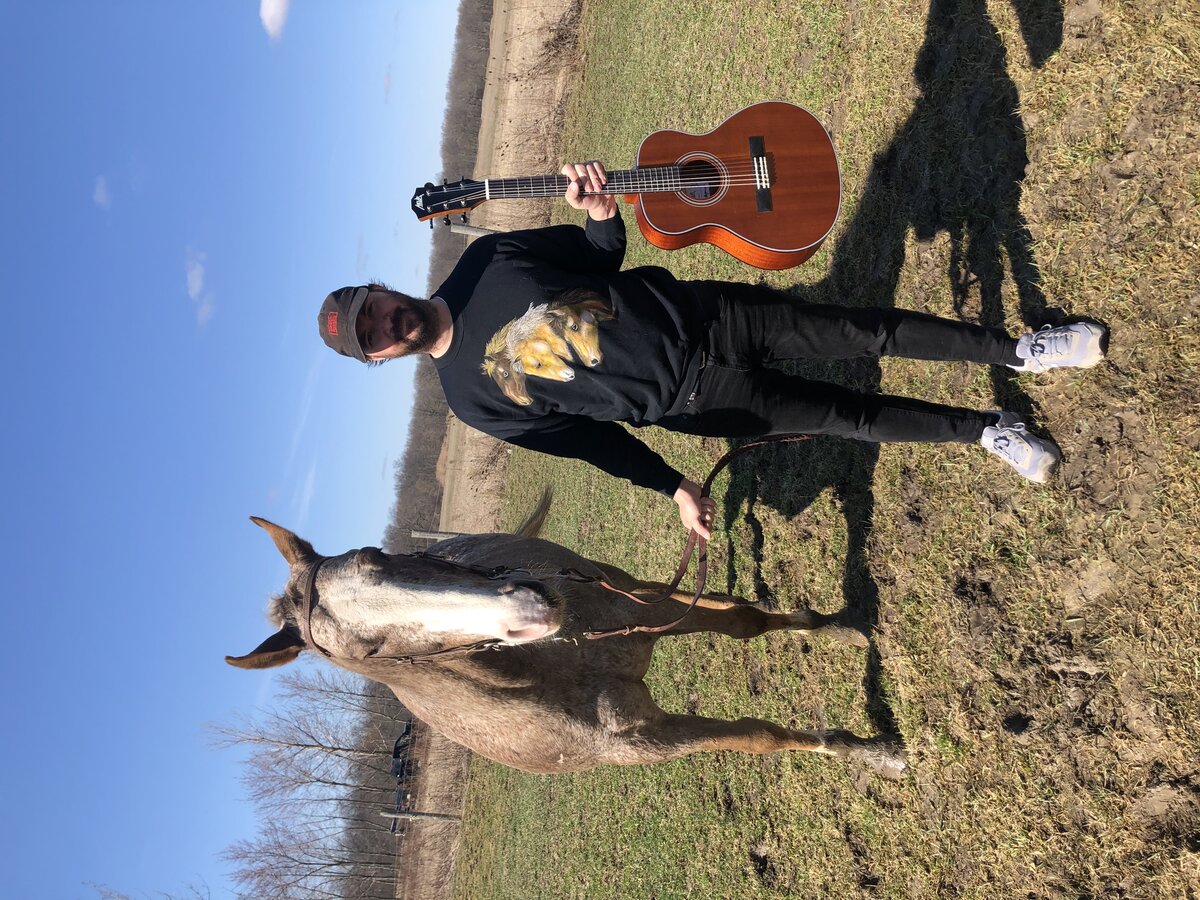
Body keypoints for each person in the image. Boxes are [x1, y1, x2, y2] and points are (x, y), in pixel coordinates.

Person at [318, 162, 1107, 540]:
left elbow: (599, 258)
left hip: (710, 318)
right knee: (850, 419)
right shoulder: (469, 401)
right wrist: (671, 486)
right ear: (380, 362)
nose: (385, 326)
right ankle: (986, 432)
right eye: (372, 340)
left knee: (865, 332)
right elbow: (591, 441)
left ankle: (1020, 351)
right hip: (698, 406)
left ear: (381, 289)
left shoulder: (486, 260)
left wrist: (601, 214)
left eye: (373, 310)